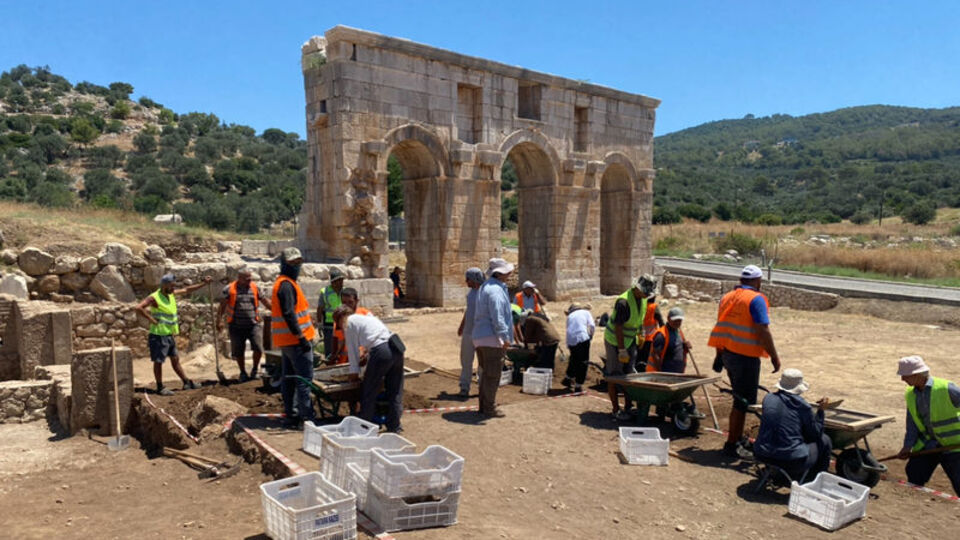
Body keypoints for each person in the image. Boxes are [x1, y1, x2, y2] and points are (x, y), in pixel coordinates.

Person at [708, 264, 781, 457]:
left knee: (740, 399)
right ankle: (732, 444)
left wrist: (718, 355)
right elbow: (762, 330)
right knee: (742, 402)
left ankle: (737, 438)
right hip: (745, 358)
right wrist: (774, 355)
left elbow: (723, 327)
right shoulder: (756, 299)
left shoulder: (727, 298)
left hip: (728, 354)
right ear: (757, 281)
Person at [334, 305, 405, 433]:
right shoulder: (366, 318)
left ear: (340, 318)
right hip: (397, 348)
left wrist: (354, 373)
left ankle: (364, 427)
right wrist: (367, 355)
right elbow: (375, 337)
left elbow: (352, 351)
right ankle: (394, 426)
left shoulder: (348, 323)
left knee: (369, 390)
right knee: (395, 390)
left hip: (382, 351)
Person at [895, 356, 960, 496]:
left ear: (917, 375)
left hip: (954, 446)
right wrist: (908, 446)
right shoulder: (911, 395)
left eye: (905, 376)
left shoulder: (946, 388)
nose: (902, 380)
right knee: (914, 472)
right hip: (930, 444)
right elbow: (912, 424)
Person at [136, 273, 210, 395]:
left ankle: (186, 382)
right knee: (158, 361)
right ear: (164, 285)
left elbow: (187, 289)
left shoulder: (171, 294)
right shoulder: (154, 297)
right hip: (158, 335)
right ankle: (160, 387)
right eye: (171, 286)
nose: (173, 288)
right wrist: (151, 319)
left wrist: (203, 284)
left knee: (175, 359)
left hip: (169, 334)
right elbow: (139, 308)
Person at [753, 369, 832, 482]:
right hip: (792, 462)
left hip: (761, 455)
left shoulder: (768, 399)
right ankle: (818, 480)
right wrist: (821, 412)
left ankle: (776, 472)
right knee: (825, 440)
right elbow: (815, 434)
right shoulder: (803, 406)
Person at [271, 248, 317, 428]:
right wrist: (302, 338)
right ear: (283, 264)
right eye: (292, 263)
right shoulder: (286, 285)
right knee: (304, 380)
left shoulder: (284, 283)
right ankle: (306, 418)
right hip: (296, 342)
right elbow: (289, 314)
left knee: (289, 378)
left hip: (287, 342)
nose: (296, 266)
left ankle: (291, 414)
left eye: (298, 263)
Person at [603, 274, 655, 420]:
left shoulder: (643, 300)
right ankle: (615, 410)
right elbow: (619, 327)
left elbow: (639, 319)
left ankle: (628, 406)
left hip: (630, 340)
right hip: (615, 341)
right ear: (637, 288)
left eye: (647, 293)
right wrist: (621, 350)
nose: (646, 295)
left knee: (629, 374)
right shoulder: (623, 302)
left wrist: (641, 334)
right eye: (644, 292)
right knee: (614, 376)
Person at [472, 258, 515, 418]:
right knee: (492, 375)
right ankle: (489, 408)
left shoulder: (486, 287)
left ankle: (484, 405)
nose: (510, 274)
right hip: (491, 338)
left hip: (481, 337)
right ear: (501, 273)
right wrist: (504, 337)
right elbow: (497, 317)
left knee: (486, 373)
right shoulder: (496, 291)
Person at [217, 268, 271, 382]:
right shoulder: (229, 289)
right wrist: (219, 320)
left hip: (253, 324)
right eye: (247, 279)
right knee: (238, 351)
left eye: (250, 278)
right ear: (240, 278)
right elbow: (222, 306)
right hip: (236, 325)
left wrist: (277, 310)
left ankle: (255, 370)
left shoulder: (255, 287)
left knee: (258, 348)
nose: (249, 280)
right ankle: (242, 372)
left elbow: (265, 301)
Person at [457, 268, 485, 397]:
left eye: (467, 279)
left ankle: (482, 387)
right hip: (469, 331)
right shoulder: (471, 293)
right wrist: (462, 326)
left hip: (481, 333)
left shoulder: (485, 293)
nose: (466, 281)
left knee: (482, 362)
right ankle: (464, 386)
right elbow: (469, 311)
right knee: (466, 361)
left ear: (473, 279)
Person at [329, 287, 370, 365]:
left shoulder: (366, 315)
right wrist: (333, 358)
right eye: (344, 302)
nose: (347, 305)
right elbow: (335, 342)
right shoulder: (339, 319)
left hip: (362, 361)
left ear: (357, 301)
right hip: (344, 363)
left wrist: (364, 353)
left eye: (350, 302)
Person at [562, 303, 595, 393]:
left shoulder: (570, 316)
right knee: (583, 362)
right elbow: (592, 326)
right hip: (582, 337)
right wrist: (591, 335)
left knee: (574, 359)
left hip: (571, 340)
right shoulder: (586, 312)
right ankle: (578, 385)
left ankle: (568, 378)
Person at [648, 307, 690, 374]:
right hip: (666, 373)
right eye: (675, 320)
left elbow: (677, 348)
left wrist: (685, 346)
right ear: (668, 319)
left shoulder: (678, 331)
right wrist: (661, 374)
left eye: (679, 320)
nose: (677, 323)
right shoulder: (661, 335)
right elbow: (655, 355)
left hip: (677, 372)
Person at [316, 267, 345, 361]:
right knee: (329, 345)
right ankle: (330, 360)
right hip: (329, 323)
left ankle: (341, 359)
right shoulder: (325, 292)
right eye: (338, 281)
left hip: (342, 323)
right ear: (333, 282)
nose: (341, 283)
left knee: (342, 343)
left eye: (342, 280)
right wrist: (319, 323)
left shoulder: (345, 291)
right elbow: (320, 308)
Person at [638, 291, 663, 371]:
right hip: (651, 338)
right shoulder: (654, 307)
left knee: (639, 358)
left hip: (640, 338)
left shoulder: (641, 306)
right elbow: (661, 322)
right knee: (647, 359)